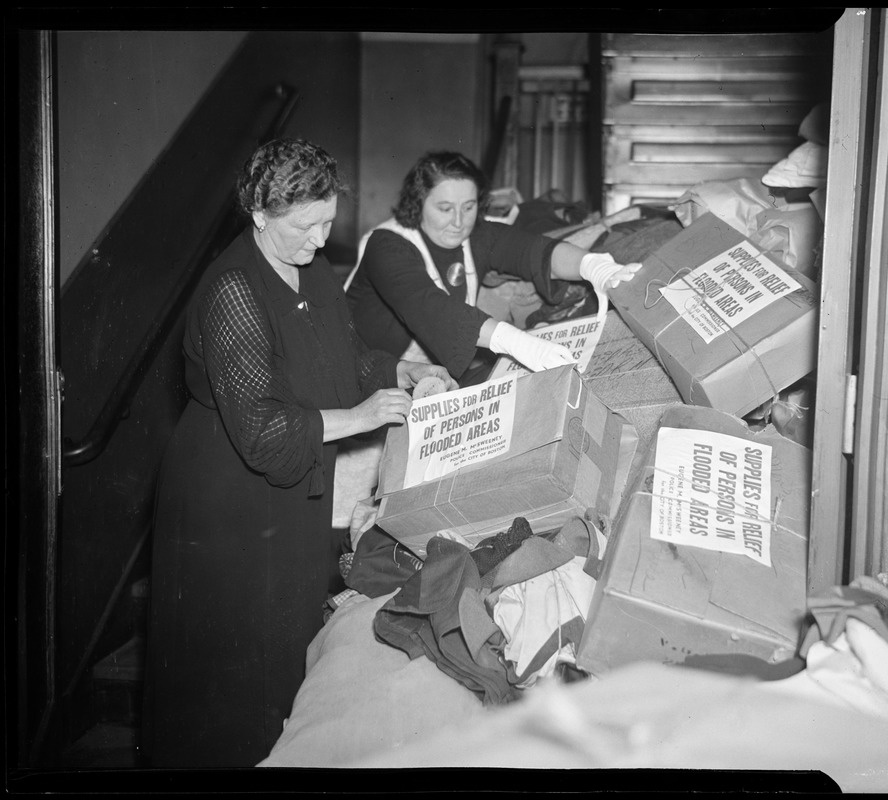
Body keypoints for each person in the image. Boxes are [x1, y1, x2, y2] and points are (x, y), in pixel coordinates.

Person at [141, 138, 456, 768]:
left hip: (286, 489)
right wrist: (362, 417)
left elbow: (347, 359)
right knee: (233, 673)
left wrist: (406, 372)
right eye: (304, 225)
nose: (319, 240)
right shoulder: (234, 290)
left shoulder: (310, 269)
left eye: (327, 224)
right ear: (260, 212)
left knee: (281, 656)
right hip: (228, 499)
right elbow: (262, 431)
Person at [345, 151, 641, 385]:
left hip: (431, 376)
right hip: (369, 378)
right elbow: (430, 308)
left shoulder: (475, 235)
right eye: (445, 209)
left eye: (469, 207)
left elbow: (533, 250)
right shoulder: (386, 245)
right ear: (418, 203)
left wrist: (595, 266)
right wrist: (517, 342)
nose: (458, 221)